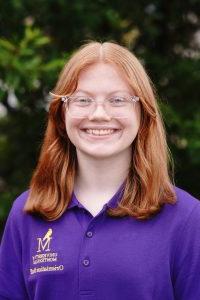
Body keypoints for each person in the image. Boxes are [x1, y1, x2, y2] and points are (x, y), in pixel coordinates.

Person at [0, 41, 200, 300]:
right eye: (83, 100)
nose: (99, 114)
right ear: (63, 114)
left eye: (117, 100)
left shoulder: (186, 218)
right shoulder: (26, 213)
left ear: (143, 113)